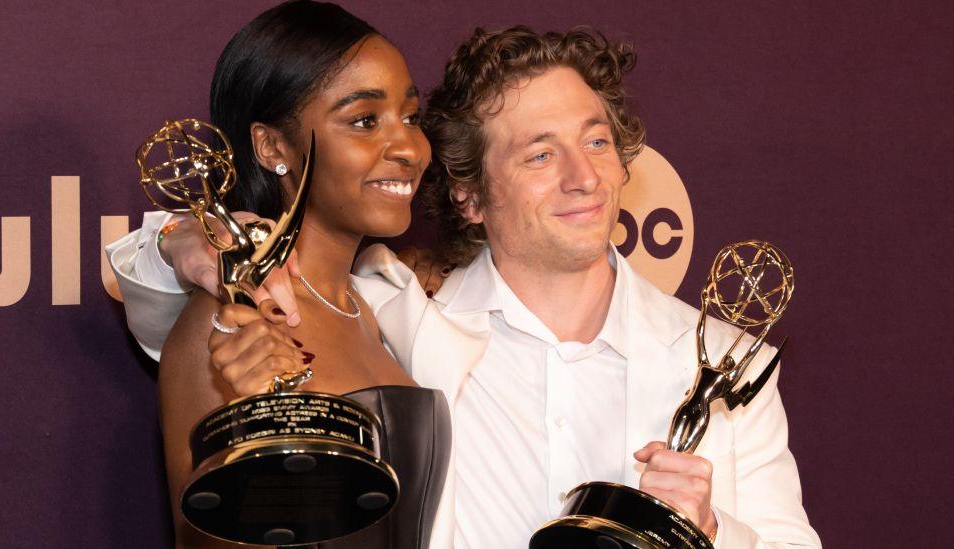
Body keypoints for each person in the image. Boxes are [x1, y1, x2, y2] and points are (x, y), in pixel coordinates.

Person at [109, 24, 821, 549]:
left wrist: (716, 533)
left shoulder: (732, 362)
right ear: (469, 197)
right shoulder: (404, 314)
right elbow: (197, 313)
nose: (583, 177)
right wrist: (183, 241)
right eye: (541, 153)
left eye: (597, 141)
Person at [112, 2, 452, 547]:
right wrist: (257, 455)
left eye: (410, 117)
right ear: (272, 147)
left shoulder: (385, 304)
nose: (410, 148)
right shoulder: (226, 322)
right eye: (364, 120)